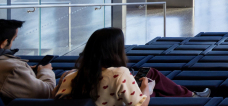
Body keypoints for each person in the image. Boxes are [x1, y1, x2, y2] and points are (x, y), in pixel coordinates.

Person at [54, 28, 209, 106]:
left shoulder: (69, 77)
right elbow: (140, 104)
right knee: (153, 82)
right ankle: (191, 98)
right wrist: (147, 88)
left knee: (151, 74)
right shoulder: (120, 73)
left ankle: (190, 96)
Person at [0, 20, 55, 100]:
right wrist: (46, 71)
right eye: (13, 40)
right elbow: (48, 93)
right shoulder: (14, 69)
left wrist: (27, 71)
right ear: (4, 42)